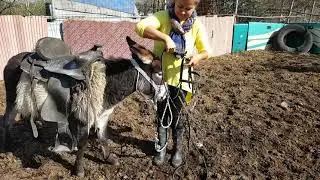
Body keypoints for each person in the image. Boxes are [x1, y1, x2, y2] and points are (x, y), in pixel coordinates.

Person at [135, 0, 211, 167]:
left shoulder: (197, 25)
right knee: (162, 114)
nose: (183, 12)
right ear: (174, 3)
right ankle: (161, 148)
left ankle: (177, 149)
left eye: (188, 9)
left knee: (177, 116)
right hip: (160, 79)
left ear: (195, 7)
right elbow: (140, 27)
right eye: (180, 7)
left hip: (181, 80)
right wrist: (165, 37)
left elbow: (206, 50)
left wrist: (198, 57)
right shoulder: (163, 17)